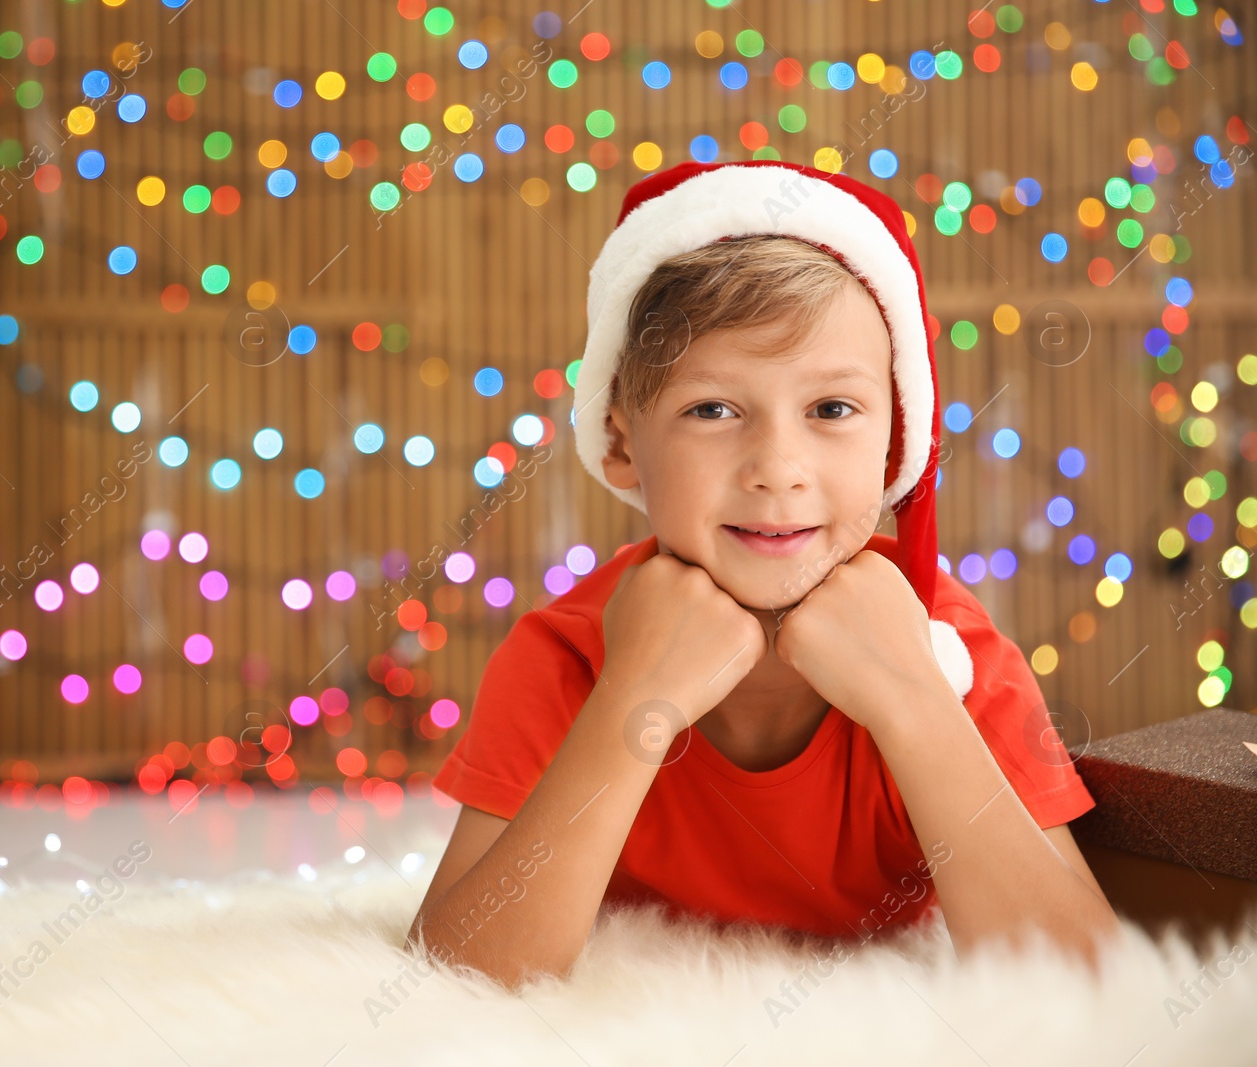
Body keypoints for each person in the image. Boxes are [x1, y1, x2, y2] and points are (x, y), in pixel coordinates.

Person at [405, 159, 1121, 989]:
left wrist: (912, 698)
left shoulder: (953, 657)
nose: (777, 469)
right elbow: (457, 980)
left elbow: (1089, 987)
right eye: (711, 409)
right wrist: (635, 698)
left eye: (831, 409)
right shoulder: (562, 660)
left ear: (897, 440)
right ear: (622, 439)